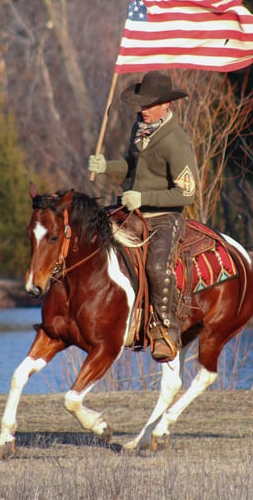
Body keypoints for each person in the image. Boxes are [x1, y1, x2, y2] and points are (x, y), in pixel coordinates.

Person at [88, 71, 198, 362]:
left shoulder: (177, 142)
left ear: (166, 106)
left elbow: (187, 194)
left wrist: (144, 198)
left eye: (148, 105)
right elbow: (130, 167)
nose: (142, 110)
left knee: (158, 265)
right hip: (131, 213)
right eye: (141, 104)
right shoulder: (140, 129)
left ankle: (165, 332)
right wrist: (105, 167)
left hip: (164, 217)